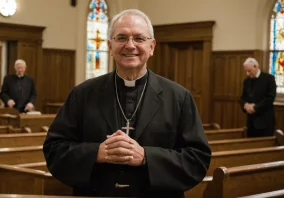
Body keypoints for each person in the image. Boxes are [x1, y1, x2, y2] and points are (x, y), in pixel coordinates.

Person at [43, 9, 211, 197]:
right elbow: (53, 150)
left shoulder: (179, 97)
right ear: (110, 45)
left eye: (139, 38)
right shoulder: (82, 94)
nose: (130, 45)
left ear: (152, 47)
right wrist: (96, 153)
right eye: (121, 38)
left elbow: (197, 160)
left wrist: (146, 157)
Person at [239, 57, 277, 137]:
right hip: (251, 123)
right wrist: (245, 105)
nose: (247, 74)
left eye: (249, 71)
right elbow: (242, 98)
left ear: (256, 66)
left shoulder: (269, 79)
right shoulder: (247, 81)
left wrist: (255, 108)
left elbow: (270, 98)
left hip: (265, 122)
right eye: (246, 71)